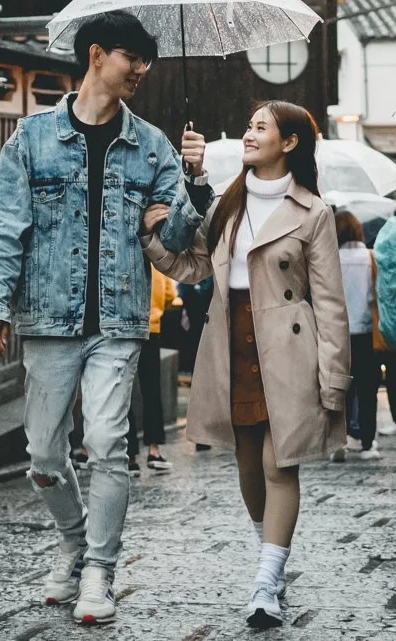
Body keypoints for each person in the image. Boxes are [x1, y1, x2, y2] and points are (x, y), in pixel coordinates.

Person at [0, 10, 205, 626]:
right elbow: (0, 229)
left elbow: (176, 238)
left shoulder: (153, 145)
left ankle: (100, 566)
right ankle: (74, 540)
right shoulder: (31, 139)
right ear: (98, 54)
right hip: (50, 318)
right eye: (134, 58)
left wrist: (194, 180)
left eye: (147, 61)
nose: (142, 71)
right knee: (44, 456)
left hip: (120, 319)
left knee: (105, 442)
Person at [142, 102, 351, 631]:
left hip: (288, 346)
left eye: (261, 127)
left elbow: (329, 303)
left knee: (281, 463)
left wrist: (335, 378)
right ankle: (271, 552)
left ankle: (265, 581)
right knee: (247, 463)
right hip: (231, 340)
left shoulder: (313, 212)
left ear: (291, 143)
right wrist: (153, 237)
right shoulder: (226, 206)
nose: (249, 133)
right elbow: (190, 264)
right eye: (249, 125)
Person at [334, 209, 382, 459]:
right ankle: (366, 441)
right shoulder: (371, 257)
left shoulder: (330, 259)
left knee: (340, 389)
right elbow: (376, 296)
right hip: (365, 332)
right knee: (367, 390)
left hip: (338, 332)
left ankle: (339, 439)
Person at [128, 266, 179, 472]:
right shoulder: (155, 262)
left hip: (127, 331)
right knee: (152, 391)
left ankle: (129, 455)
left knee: (124, 393)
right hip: (151, 329)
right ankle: (154, 450)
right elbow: (170, 294)